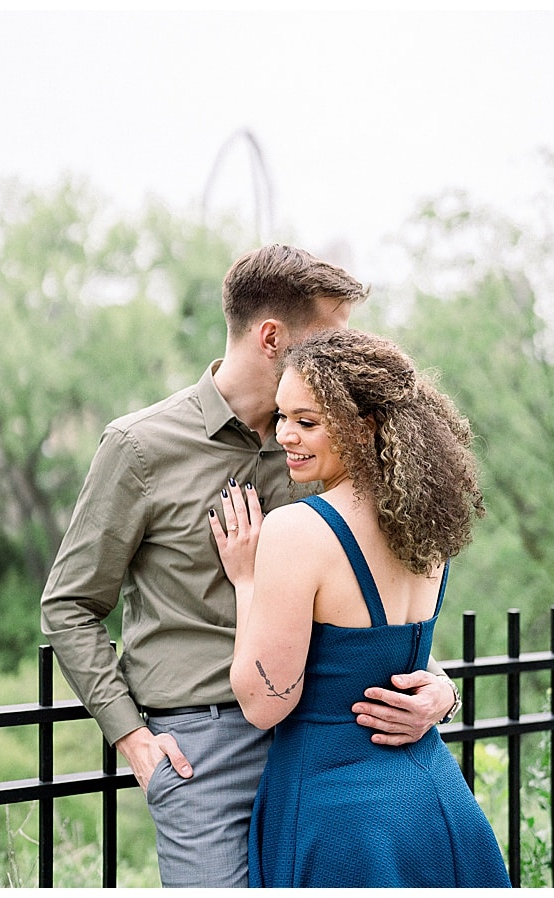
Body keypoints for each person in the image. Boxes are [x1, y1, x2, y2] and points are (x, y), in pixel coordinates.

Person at [39, 245, 464, 888]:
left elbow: (359, 595)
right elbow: (68, 605)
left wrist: (439, 686)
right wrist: (131, 739)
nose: (343, 354)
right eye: (330, 336)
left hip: (323, 745)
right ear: (273, 337)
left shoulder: (329, 454)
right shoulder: (140, 446)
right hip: (204, 754)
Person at [210, 329, 510, 887]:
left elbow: (262, 704)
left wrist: (248, 579)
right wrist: (444, 692)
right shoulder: (423, 522)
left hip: (339, 815)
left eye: (308, 422)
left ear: (363, 425)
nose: (285, 437)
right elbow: (396, 657)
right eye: (282, 417)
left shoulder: (298, 530)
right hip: (432, 798)